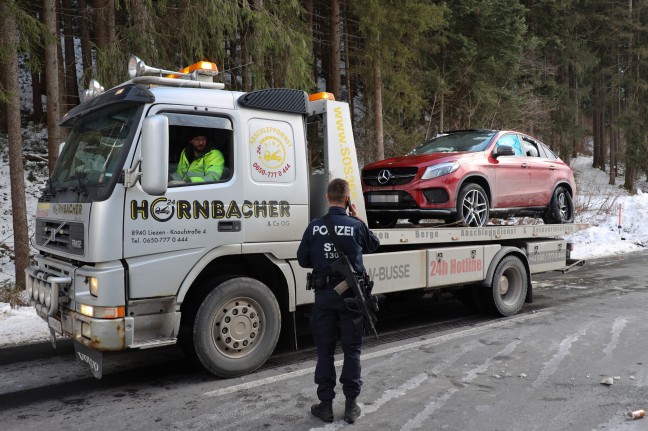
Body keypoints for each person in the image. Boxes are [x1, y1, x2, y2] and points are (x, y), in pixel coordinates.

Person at [297, 178, 380, 424]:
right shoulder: (355, 225)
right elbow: (373, 245)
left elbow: (303, 259)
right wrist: (358, 218)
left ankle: (325, 406)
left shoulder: (314, 226)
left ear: (327, 197)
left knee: (325, 352)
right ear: (347, 199)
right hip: (351, 298)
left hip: (324, 296)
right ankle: (351, 406)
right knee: (352, 351)